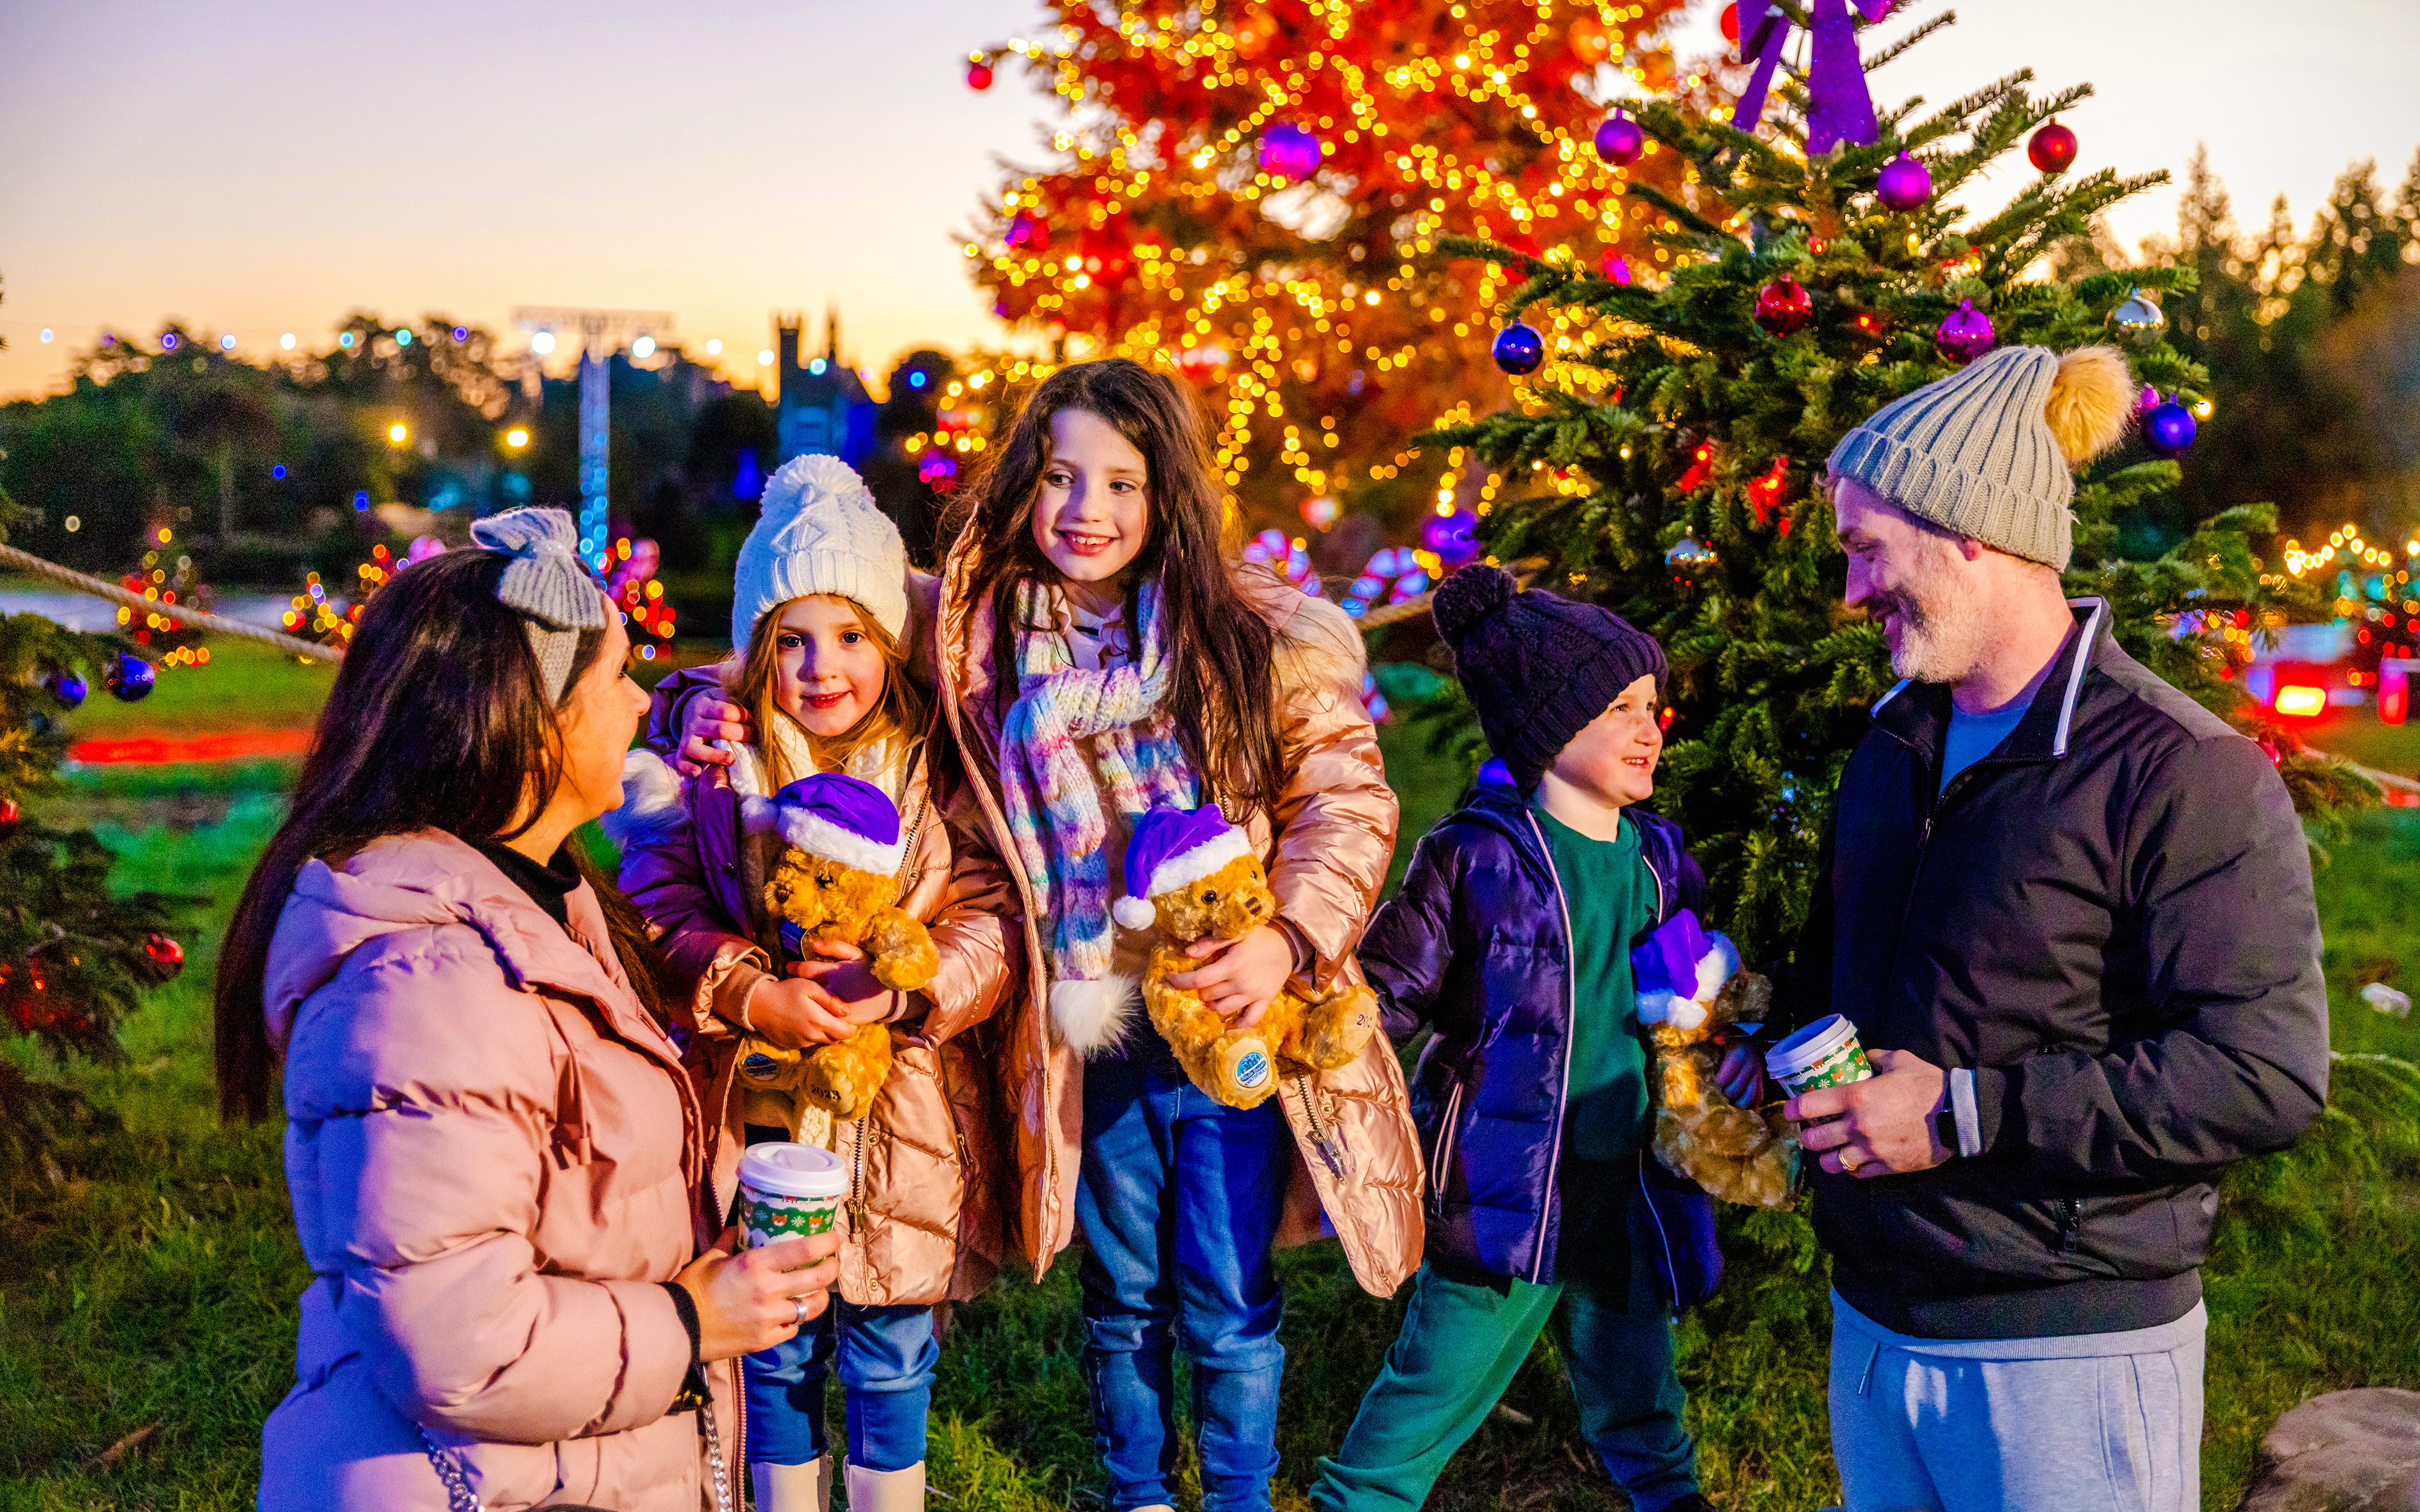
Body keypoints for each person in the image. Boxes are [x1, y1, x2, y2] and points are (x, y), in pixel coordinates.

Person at [1776, 345, 2329, 1512]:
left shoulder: (2181, 770)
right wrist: (1755, 1048)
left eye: (1865, 550)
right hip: (1873, 1328)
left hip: (2065, 1353)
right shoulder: (1892, 744)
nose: (1851, 592)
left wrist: (1961, 1110)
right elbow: (1838, 969)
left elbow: (2263, 1074)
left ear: (1969, 529)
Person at [214, 507, 838, 1512]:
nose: (642, 701)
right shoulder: (429, 988)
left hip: (568, 1455)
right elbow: (461, 1345)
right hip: (479, 1483)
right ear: (532, 719)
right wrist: (690, 1321)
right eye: (618, 677)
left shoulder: (547, 902)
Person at [932, 357, 1421, 1512]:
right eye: (1059, 476)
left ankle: (1241, 1493)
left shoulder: (1246, 638)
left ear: (1167, 500)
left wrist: (1290, 941)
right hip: (1092, 1022)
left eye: (1120, 482)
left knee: (1226, 1286)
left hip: (1229, 1014)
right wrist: (702, 701)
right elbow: (811, 628)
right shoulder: (979, 639)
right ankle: (1137, 1489)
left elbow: (1344, 799)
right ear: (1021, 484)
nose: (1084, 510)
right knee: (1124, 1286)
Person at [613, 455, 1015, 1512]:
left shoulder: (936, 769)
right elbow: (653, 899)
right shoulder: (721, 769)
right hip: (761, 1117)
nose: (820, 668)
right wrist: (749, 989)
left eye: (849, 638)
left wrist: (911, 994)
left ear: (888, 642)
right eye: (790, 641)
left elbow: (989, 916)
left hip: (898, 1123)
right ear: (755, 650)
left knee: (888, 1354)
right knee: (771, 1352)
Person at [1306, 564, 1728, 1512]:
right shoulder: (1475, 857)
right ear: (1547, 724)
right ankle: (1359, 1498)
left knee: (1638, 1387)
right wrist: (1324, 1030)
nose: (1648, 728)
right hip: (1506, 1190)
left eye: (1653, 706)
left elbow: (1684, 984)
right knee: (1434, 1381)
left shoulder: (1657, 858)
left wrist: (1706, 1014)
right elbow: (1389, 988)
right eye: (1619, 707)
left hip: (1623, 1181)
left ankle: (1671, 1497)